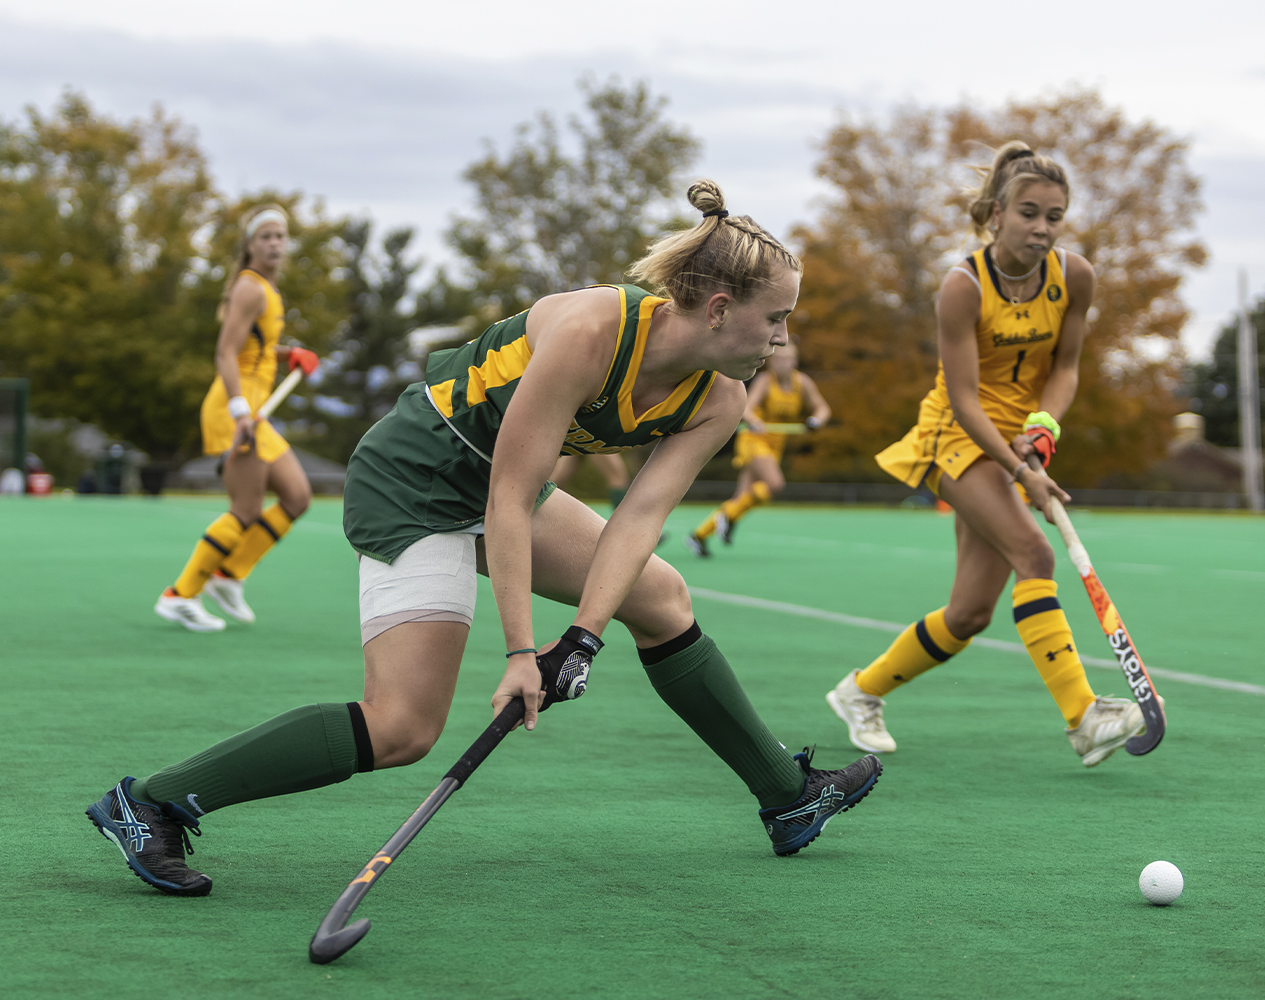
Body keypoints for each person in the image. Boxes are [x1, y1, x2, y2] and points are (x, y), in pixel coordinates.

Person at [87, 181, 882, 896]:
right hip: (418, 480)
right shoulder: (592, 330)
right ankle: (150, 802)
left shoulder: (720, 399)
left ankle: (786, 796)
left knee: (663, 595)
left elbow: (638, 519)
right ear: (717, 309)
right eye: (774, 319)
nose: (780, 340)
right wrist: (520, 652)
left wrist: (582, 639)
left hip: (503, 485)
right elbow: (505, 492)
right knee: (402, 728)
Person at [825, 143, 1148, 767]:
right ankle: (1084, 717)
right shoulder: (962, 287)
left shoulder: (1073, 277)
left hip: (1018, 437)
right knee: (1035, 552)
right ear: (996, 213)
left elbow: (1068, 367)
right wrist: (1021, 471)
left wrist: (1043, 430)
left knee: (970, 613)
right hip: (956, 437)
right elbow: (967, 403)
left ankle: (859, 692)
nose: (1042, 228)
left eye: (1055, 216)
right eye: (1029, 213)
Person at [153, 205, 318, 632]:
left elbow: (254, 351)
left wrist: (288, 355)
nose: (275, 243)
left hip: (253, 408)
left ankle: (229, 575)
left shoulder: (266, 289)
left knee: (297, 496)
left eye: (280, 236)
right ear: (249, 245)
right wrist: (240, 411)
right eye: (265, 236)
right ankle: (180, 594)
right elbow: (225, 353)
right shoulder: (250, 288)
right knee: (245, 508)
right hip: (236, 408)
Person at [685, 339, 829, 555]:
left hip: (774, 445)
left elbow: (822, 408)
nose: (782, 364)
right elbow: (746, 408)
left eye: (787, 359)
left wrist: (815, 421)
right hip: (754, 440)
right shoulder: (765, 381)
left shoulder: (803, 383)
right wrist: (754, 421)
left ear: (795, 361)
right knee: (774, 484)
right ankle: (728, 517)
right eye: (778, 359)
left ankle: (699, 536)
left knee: (742, 499)